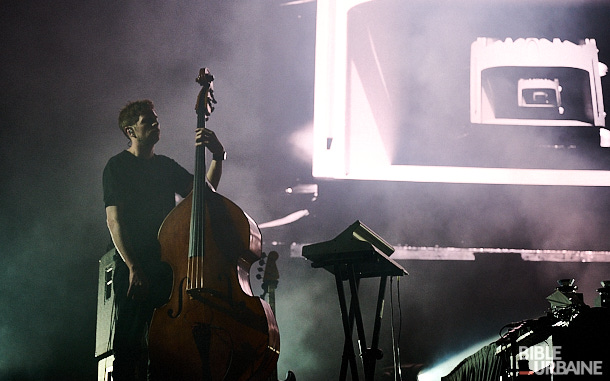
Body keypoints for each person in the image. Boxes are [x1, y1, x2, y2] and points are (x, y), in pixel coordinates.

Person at [102, 99, 226, 381]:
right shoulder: (117, 167)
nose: (157, 125)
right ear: (130, 131)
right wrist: (133, 267)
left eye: (157, 120)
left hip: (165, 267)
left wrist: (218, 156)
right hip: (133, 265)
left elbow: (205, 195)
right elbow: (114, 221)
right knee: (129, 346)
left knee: (165, 348)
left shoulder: (166, 166)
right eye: (149, 121)